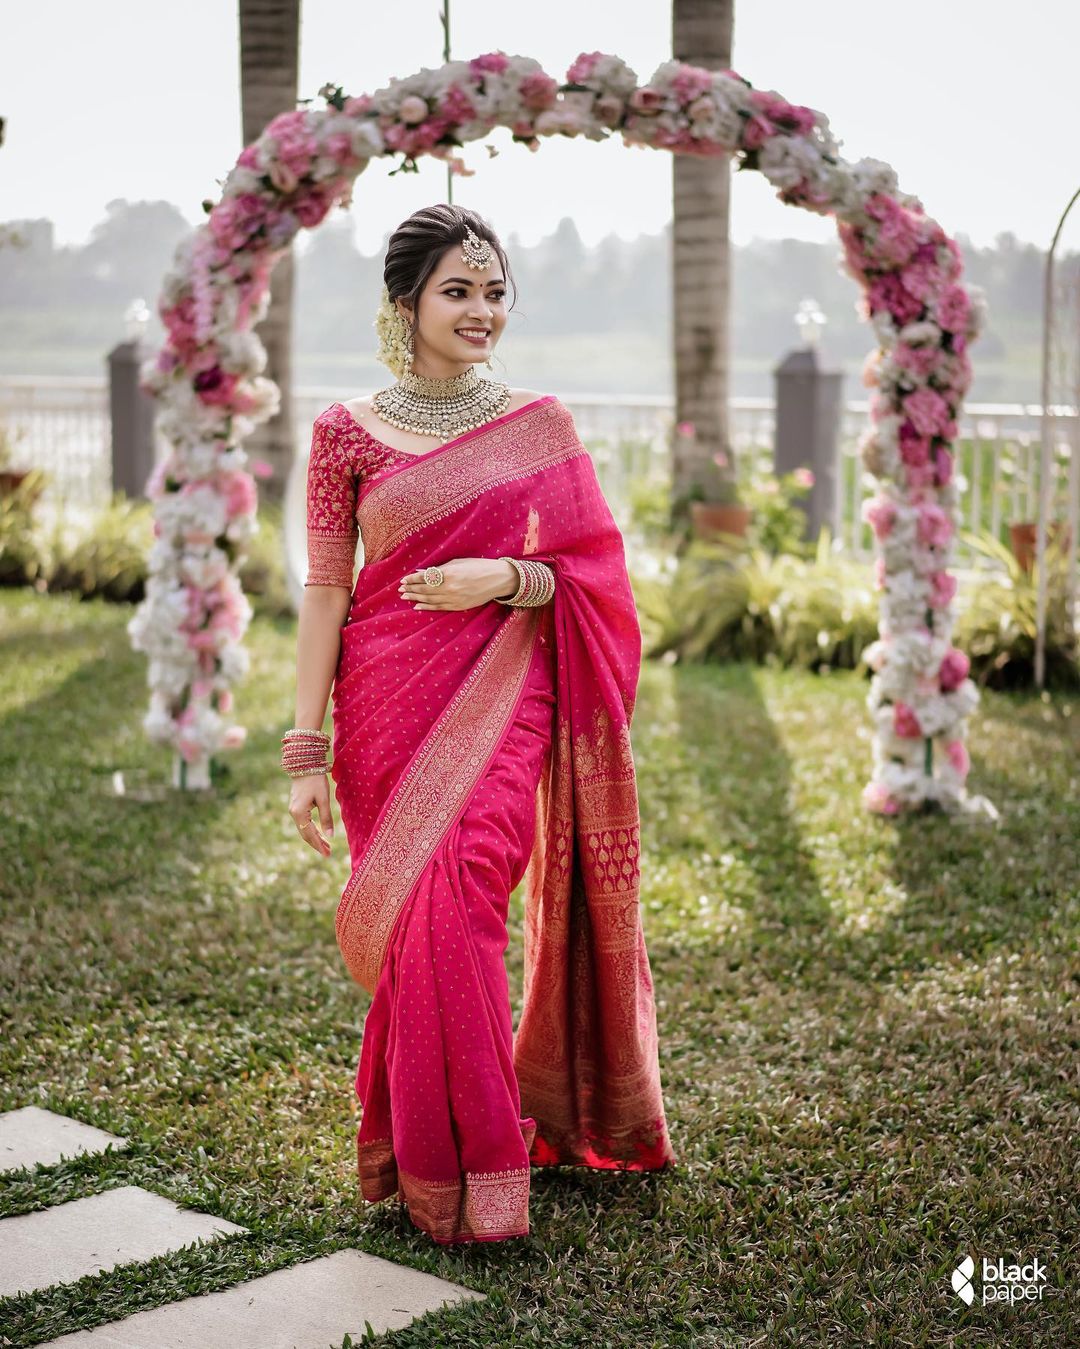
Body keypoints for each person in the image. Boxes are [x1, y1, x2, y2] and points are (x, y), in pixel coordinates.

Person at [284, 203, 675, 1245]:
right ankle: (429, 1163)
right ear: (404, 302)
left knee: (458, 900)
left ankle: (476, 1171)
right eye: (458, 290)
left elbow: (596, 574)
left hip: (507, 692)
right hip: (381, 706)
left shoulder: (540, 426)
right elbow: (326, 592)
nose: (481, 310)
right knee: (420, 933)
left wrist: (506, 576)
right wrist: (304, 750)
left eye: (495, 291)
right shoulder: (341, 434)